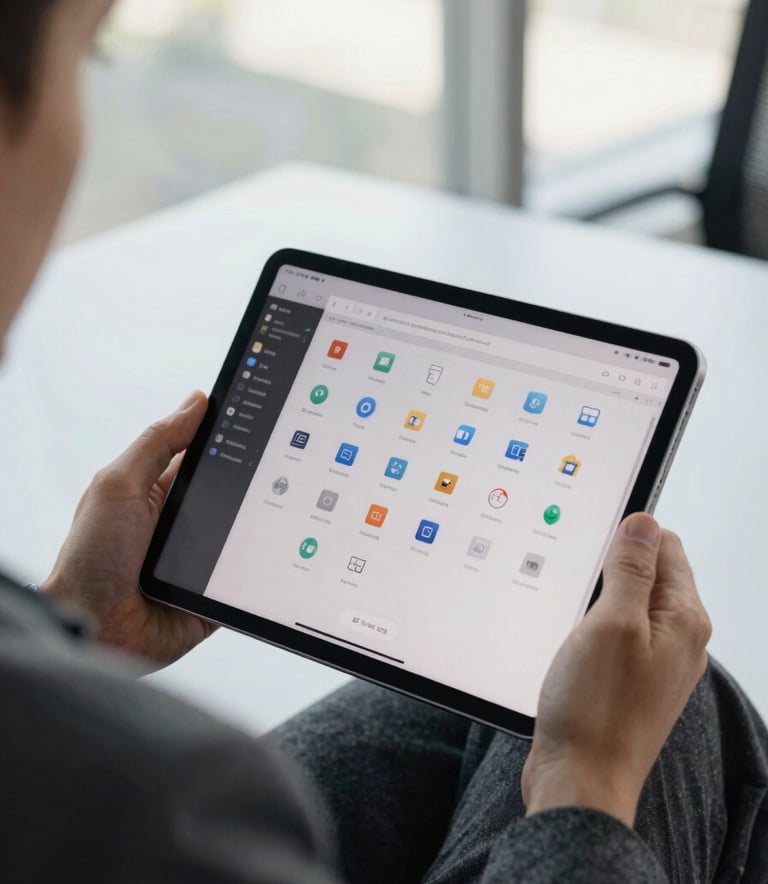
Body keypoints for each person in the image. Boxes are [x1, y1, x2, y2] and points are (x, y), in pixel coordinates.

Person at [1, 1, 766, 881]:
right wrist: (585, 781)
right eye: (87, 57)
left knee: (535, 693)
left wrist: (78, 624)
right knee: (658, 709)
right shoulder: (170, 806)